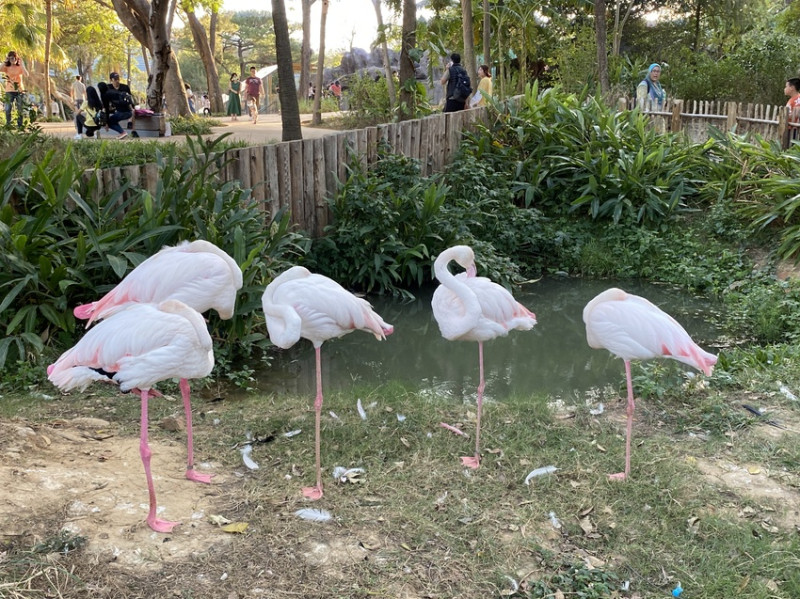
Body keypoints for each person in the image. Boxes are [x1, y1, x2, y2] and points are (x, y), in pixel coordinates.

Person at [0, 50, 29, 128]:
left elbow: (26, 74)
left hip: (19, 90)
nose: (12, 60)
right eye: (11, 58)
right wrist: (5, 61)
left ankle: (20, 125)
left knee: (20, 109)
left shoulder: (20, 67)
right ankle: (8, 124)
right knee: (7, 108)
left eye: (14, 58)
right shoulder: (6, 67)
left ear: (17, 58)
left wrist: (22, 64)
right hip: (9, 90)